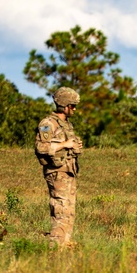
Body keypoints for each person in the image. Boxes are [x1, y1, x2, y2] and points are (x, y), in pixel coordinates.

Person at [34, 87, 83, 248]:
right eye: (72, 106)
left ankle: (64, 245)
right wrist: (65, 144)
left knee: (69, 212)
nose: (74, 109)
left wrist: (75, 147)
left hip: (68, 173)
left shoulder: (66, 125)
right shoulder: (48, 124)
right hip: (57, 173)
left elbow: (67, 147)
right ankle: (54, 249)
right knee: (61, 211)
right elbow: (41, 148)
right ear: (64, 105)